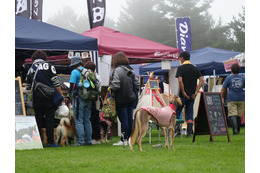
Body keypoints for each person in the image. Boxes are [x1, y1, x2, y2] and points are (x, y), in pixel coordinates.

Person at [26, 50, 63, 147]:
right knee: (49, 119)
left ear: (34, 58)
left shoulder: (31, 68)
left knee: (38, 118)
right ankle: (50, 142)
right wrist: (60, 93)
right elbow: (55, 82)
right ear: (44, 57)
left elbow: (28, 86)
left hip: (37, 98)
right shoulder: (50, 66)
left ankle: (38, 141)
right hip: (48, 97)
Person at [109, 52, 140, 146]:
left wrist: (110, 89)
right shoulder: (131, 69)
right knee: (130, 118)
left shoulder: (117, 70)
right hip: (131, 98)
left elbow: (116, 84)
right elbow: (137, 83)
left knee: (124, 119)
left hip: (121, 98)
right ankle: (130, 138)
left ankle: (124, 140)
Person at [175, 51, 203, 137]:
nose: (180, 60)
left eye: (180, 58)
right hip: (192, 95)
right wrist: (196, 91)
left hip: (182, 95)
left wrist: (183, 92)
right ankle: (189, 133)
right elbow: (201, 79)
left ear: (182, 58)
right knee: (190, 113)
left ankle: (176, 132)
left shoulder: (181, 68)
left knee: (177, 112)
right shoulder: (194, 68)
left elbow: (180, 80)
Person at [68, 56, 92, 146]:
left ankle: (80, 141)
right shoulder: (88, 71)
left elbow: (73, 85)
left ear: (74, 64)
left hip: (78, 98)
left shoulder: (75, 72)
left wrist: (69, 94)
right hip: (88, 98)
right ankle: (88, 140)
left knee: (78, 120)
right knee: (87, 120)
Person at [221, 63, 245, 135]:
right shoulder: (243, 78)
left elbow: (223, 88)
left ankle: (235, 131)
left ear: (231, 70)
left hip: (232, 98)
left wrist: (221, 97)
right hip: (241, 98)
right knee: (239, 114)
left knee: (233, 114)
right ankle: (238, 130)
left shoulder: (228, 78)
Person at [84, 61, 102, 144]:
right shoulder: (98, 76)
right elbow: (99, 88)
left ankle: (92, 137)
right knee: (96, 118)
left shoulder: (88, 76)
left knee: (90, 119)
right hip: (97, 99)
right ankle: (97, 137)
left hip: (90, 99)